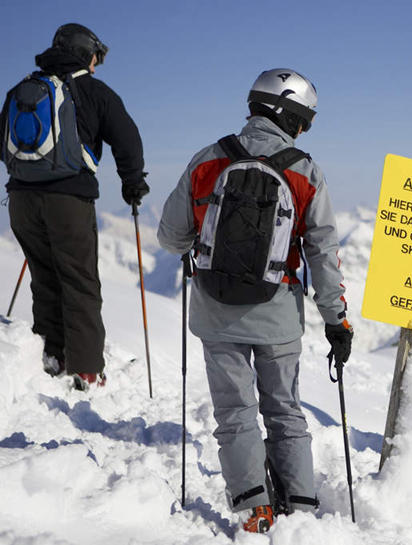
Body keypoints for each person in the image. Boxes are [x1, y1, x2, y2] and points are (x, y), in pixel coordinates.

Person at [157, 68, 353, 533]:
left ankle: (255, 509)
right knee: (284, 410)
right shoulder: (305, 171)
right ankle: (301, 510)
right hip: (278, 316)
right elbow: (323, 255)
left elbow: (170, 237)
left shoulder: (208, 159)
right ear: (289, 116)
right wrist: (336, 321)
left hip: (215, 311)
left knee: (235, 412)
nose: (304, 129)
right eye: (304, 119)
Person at [1, 23, 148, 390]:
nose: (97, 66)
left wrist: (28, 178)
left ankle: (52, 354)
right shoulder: (93, 91)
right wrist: (133, 182)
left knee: (44, 276)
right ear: (86, 53)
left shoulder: (22, 90)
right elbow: (126, 139)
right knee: (79, 281)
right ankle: (85, 369)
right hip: (68, 200)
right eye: (96, 57)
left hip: (20, 200)